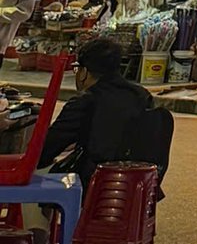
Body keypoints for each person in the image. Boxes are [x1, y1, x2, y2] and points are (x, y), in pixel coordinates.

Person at [40, 36, 167, 185]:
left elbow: (47, 148)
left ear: (84, 72)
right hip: (139, 187)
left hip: (95, 186)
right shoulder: (142, 96)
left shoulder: (85, 101)